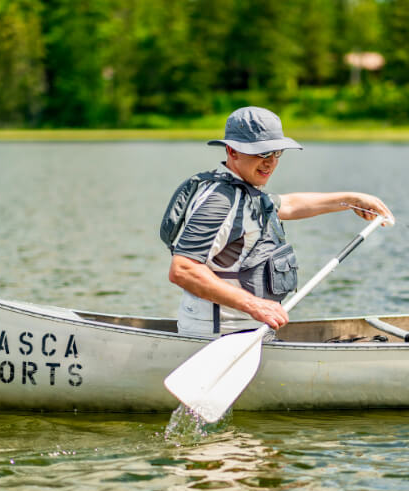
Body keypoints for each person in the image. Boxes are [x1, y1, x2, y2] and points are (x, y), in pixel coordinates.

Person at [165, 106, 393, 336]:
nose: (271, 162)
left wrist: (350, 199)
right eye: (262, 153)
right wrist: (255, 305)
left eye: (276, 153)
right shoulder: (221, 201)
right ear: (232, 151)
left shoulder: (243, 191)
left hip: (247, 331)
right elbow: (183, 269)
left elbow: (288, 204)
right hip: (221, 337)